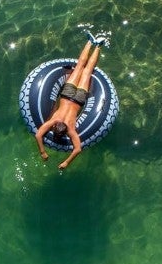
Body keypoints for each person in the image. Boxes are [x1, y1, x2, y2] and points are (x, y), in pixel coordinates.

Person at [34, 32, 107, 171]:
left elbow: (77, 149)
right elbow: (39, 135)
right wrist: (43, 152)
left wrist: (65, 161)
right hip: (66, 94)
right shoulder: (59, 124)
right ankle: (90, 42)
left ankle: (98, 45)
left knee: (87, 71)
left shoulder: (69, 128)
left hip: (79, 99)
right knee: (80, 67)